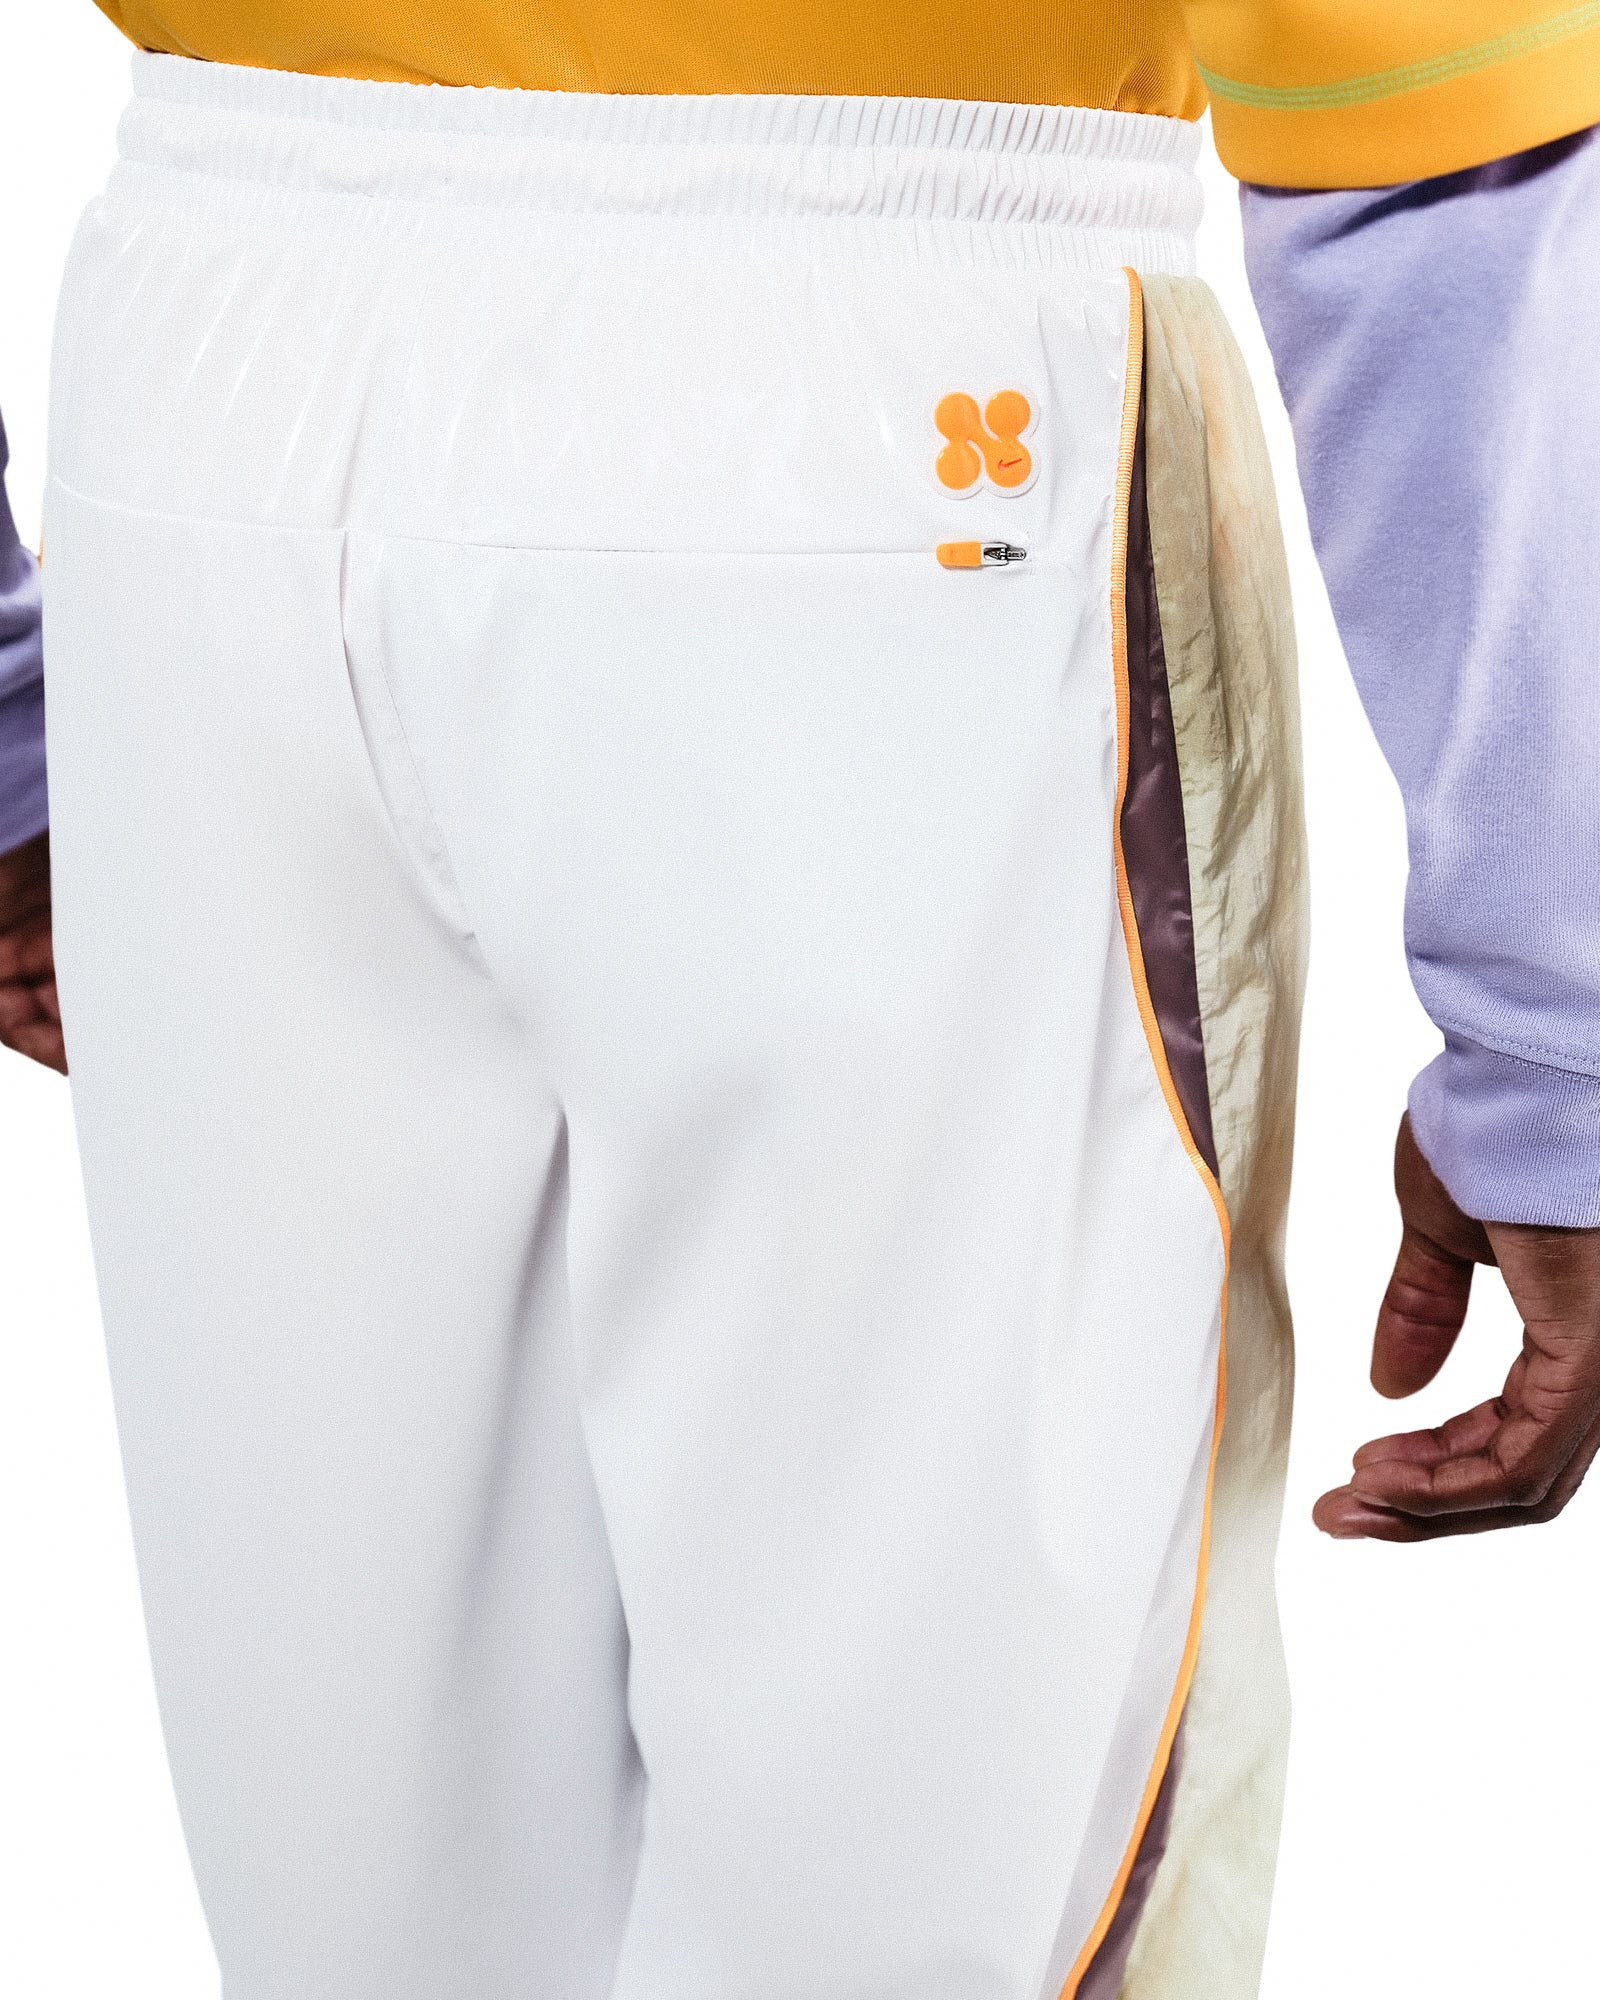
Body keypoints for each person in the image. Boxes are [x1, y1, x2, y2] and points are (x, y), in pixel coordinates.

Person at [2, 6, 1598, 1997]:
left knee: (374, 1894)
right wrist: (1557, 1037)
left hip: (201, 408)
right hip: (899, 390)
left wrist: (13, 712)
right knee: (926, 1907)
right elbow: (1412, 137)